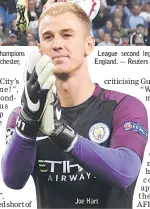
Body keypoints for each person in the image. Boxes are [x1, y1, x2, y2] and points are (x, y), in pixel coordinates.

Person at [1, 2, 148, 209]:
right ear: (39, 48)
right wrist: (28, 120)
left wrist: (59, 132)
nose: (57, 44)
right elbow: (13, 180)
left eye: (67, 35)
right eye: (48, 37)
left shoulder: (124, 106)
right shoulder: (22, 115)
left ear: (89, 44)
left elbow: (125, 171)